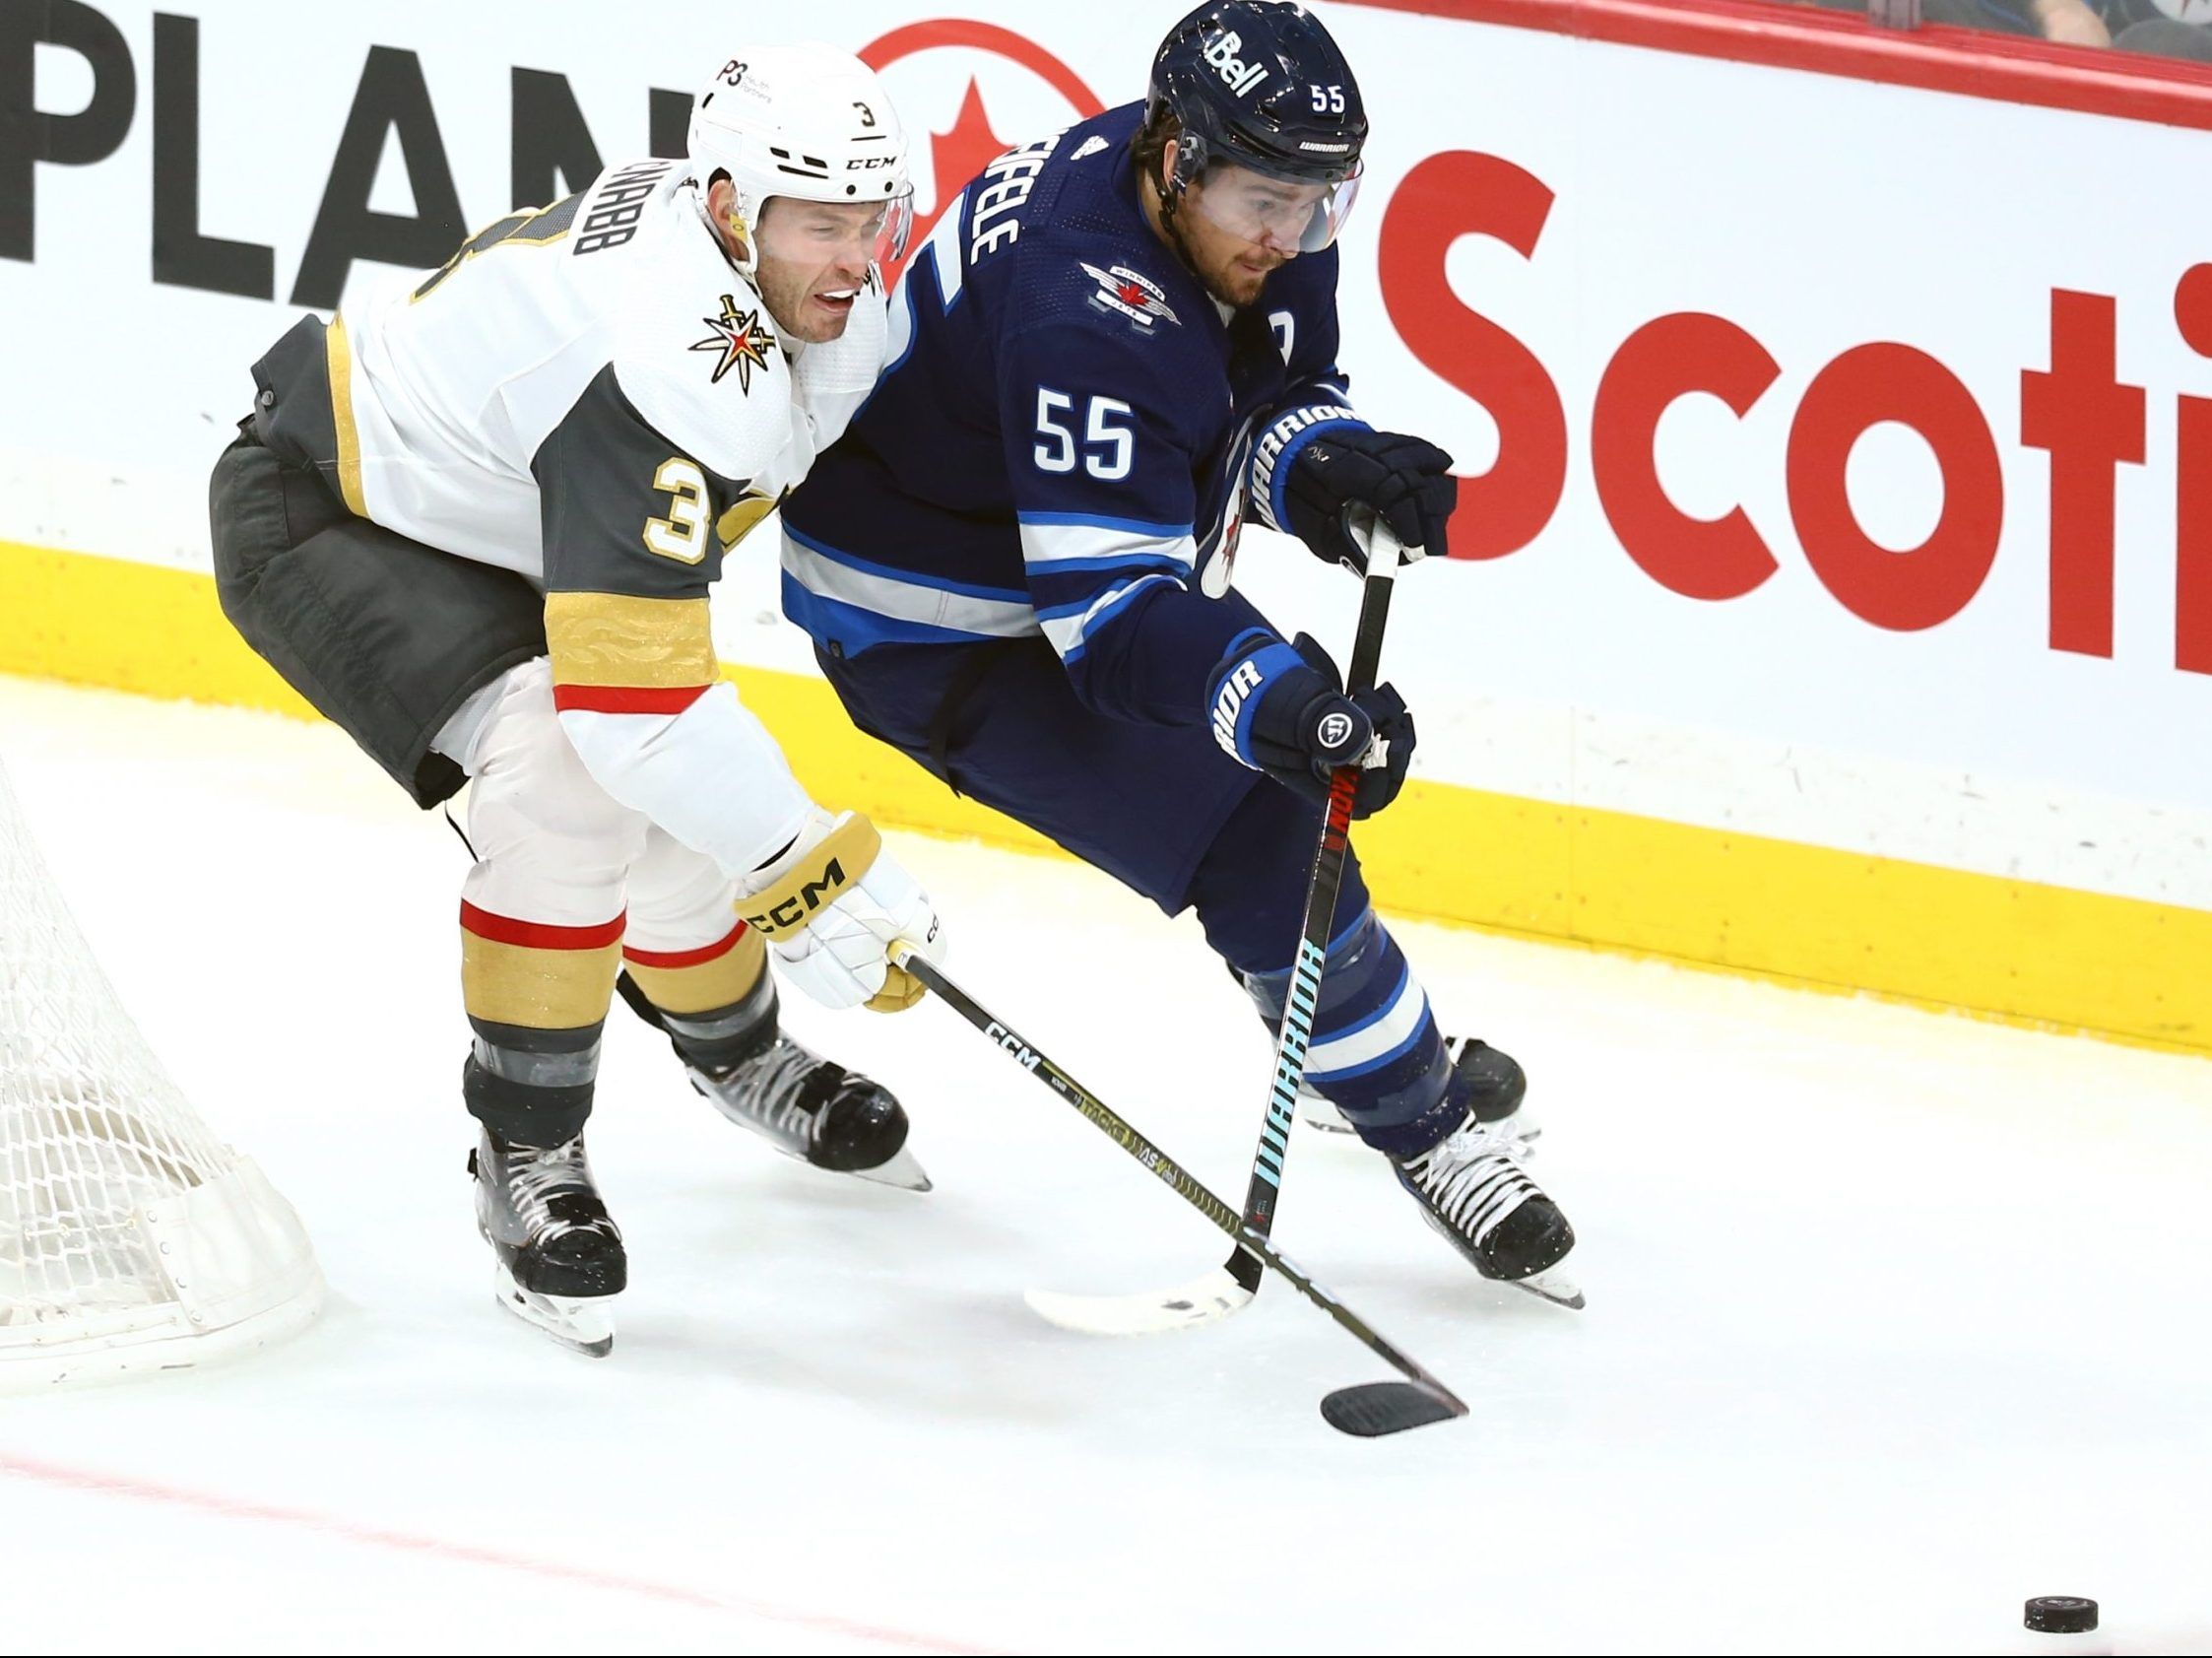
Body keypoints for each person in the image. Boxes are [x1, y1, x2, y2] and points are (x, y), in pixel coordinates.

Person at [779, 2, 1578, 1299]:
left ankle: (1340, 1055)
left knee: (1280, 796)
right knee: (1263, 829)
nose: (1291, 234)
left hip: (1046, 576)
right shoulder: (1079, 300)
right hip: (931, 626)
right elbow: (1109, 626)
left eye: (1320, 204)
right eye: (1266, 198)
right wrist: (1279, 705)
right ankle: (1429, 1133)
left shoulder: (1242, 213)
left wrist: (1324, 467)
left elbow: (1243, 402)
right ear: (1175, 153)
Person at [207, 43, 946, 1356]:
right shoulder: (662, 344)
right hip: (335, 512)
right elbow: (635, 711)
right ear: (729, 205)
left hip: (509, 525)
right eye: (817, 221)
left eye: (869, 218)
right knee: (568, 779)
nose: (850, 255)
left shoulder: (804, 286)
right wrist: (809, 868)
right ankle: (526, 1158)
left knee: (647, 811)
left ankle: (737, 1055)